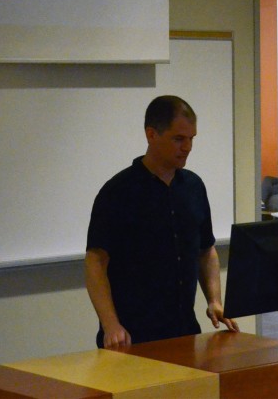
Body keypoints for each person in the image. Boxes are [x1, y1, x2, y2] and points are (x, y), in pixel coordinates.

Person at [85, 95, 239, 349]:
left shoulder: (193, 187)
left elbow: (206, 250)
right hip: (131, 337)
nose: (187, 147)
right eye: (178, 139)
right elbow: (95, 262)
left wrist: (214, 300)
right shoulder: (118, 192)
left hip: (184, 332)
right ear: (151, 134)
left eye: (191, 139)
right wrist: (111, 324)